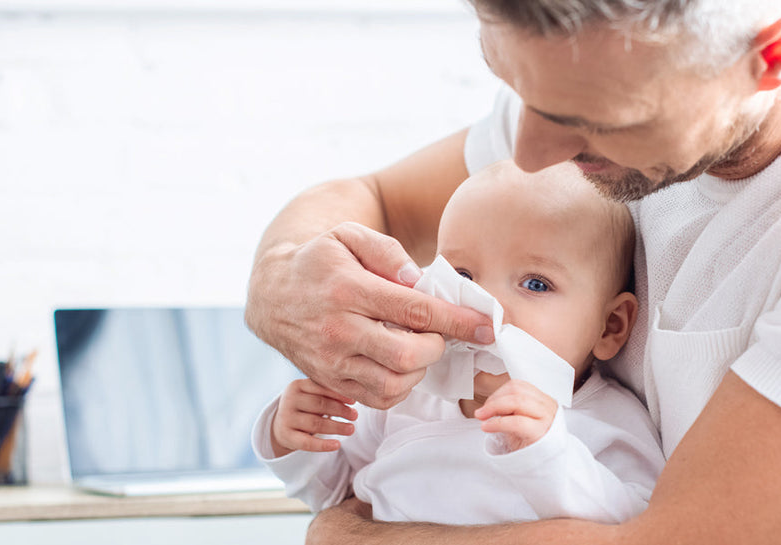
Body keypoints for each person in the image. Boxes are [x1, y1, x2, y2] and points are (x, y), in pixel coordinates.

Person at [244, 0, 781, 545]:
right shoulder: (596, 72)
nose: (533, 154)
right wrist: (282, 280)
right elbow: (373, 196)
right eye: (515, 87)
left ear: (775, 55)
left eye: (591, 122)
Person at [252, 160, 664, 525]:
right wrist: (293, 440)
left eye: (535, 283)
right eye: (462, 277)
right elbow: (334, 496)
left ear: (609, 326)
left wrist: (549, 457)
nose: (485, 305)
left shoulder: (608, 422)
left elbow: (638, 529)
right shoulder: (404, 393)